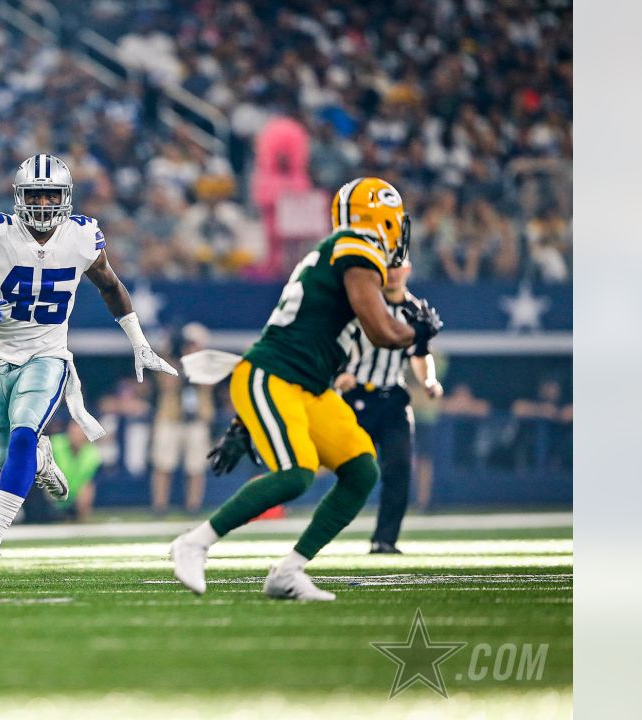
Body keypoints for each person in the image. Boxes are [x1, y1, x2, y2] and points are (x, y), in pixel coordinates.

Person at [170, 177, 443, 601]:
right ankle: (195, 542)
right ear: (381, 219)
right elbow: (380, 329)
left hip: (308, 386)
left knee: (361, 471)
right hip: (274, 376)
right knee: (296, 474)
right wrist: (415, 332)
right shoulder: (356, 246)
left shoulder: (347, 254)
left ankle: (289, 571)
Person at [0, 153, 178, 576]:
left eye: (49, 195)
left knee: (22, 435)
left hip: (48, 357)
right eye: (34, 195)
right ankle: (42, 460)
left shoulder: (82, 236)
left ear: (65, 197)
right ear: (20, 197)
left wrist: (139, 342)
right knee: (7, 461)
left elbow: (111, 286)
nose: (41, 204)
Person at [332, 260, 444, 554]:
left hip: (393, 396)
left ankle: (385, 539)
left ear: (407, 270)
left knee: (399, 468)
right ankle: (326, 527)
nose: (393, 274)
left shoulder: (415, 310)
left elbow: (420, 353)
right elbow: (336, 344)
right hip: (357, 397)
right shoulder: (364, 304)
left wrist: (428, 380)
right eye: (388, 268)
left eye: (398, 267)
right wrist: (338, 375)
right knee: (352, 470)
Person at [149, 322, 215, 515]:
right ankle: (159, 506)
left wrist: (193, 363)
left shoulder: (206, 363)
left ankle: (193, 506)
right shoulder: (168, 361)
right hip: (170, 418)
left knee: (196, 466)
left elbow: (206, 384)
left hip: (197, 420)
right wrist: (176, 358)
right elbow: (167, 384)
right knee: (163, 464)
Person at [51, 423, 103, 522]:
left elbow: (90, 483)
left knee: (87, 493)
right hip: (50, 493)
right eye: (74, 432)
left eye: (80, 433)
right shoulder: (55, 444)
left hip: (73, 497)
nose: (76, 436)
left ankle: (77, 517)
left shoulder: (93, 455)